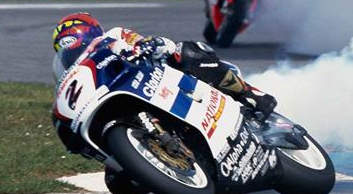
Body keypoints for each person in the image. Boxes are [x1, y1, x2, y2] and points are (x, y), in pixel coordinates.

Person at [50, 12, 277, 118]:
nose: (74, 54)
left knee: (186, 52)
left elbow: (144, 42)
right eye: (67, 52)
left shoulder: (114, 36)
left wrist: (148, 45)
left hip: (161, 76)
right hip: (130, 99)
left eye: (75, 45)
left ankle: (250, 93)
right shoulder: (82, 74)